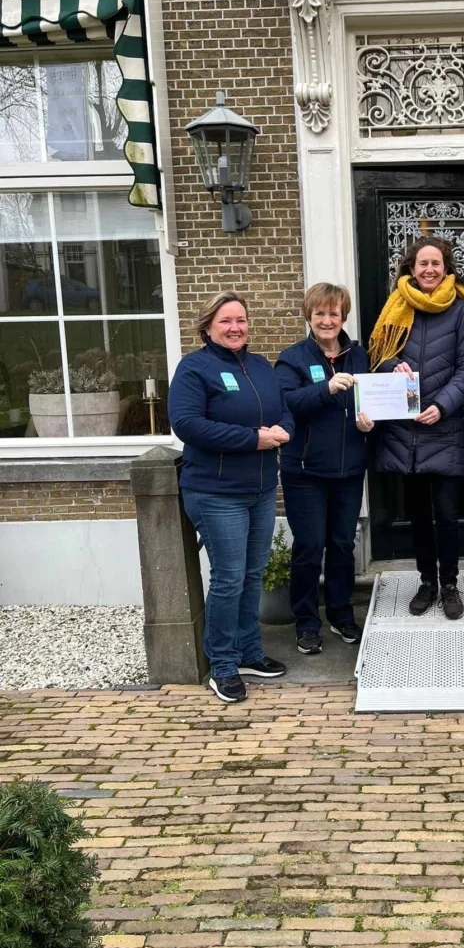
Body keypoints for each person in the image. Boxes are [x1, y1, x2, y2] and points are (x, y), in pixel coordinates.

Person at [167, 290, 294, 704]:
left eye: (241, 320)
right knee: (228, 578)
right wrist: (253, 439)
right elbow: (187, 424)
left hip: (259, 489)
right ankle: (222, 662)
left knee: (252, 574)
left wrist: (284, 429)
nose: (235, 327)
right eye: (226, 321)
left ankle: (249, 651)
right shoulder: (194, 368)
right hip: (215, 492)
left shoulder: (259, 366)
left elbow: (283, 408)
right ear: (207, 326)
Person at [367, 236, 464, 620]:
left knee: (447, 514)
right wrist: (390, 366)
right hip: (404, 431)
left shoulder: (462, 310)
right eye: (422, 264)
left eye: (436, 263)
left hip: (443, 427)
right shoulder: (396, 306)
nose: (429, 270)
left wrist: (442, 405)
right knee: (417, 515)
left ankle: (449, 584)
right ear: (411, 269)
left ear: (446, 268)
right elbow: (378, 354)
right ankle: (426, 583)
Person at [275, 283, 371, 656]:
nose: (327, 320)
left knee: (343, 545)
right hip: (305, 471)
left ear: (343, 317)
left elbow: (369, 400)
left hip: (349, 469)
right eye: (320, 314)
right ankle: (306, 621)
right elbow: (286, 402)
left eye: (333, 313)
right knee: (310, 546)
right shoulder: (292, 359)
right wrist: (326, 388)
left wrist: (369, 423)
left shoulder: (358, 356)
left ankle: (341, 613)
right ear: (309, 317)